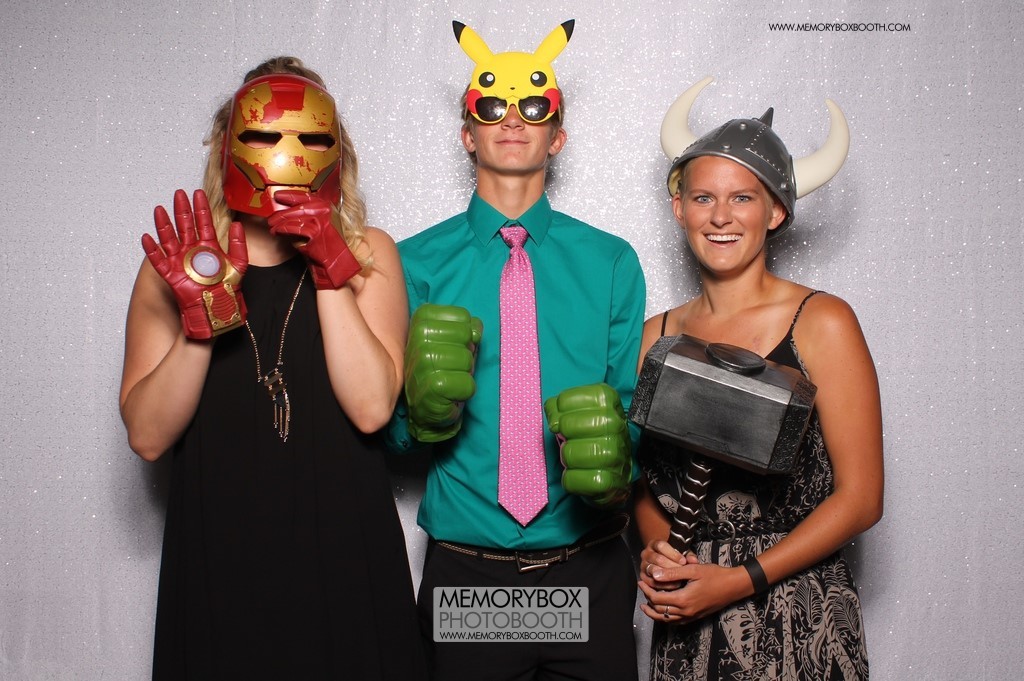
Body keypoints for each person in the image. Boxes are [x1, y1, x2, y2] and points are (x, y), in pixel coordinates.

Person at [119, 57, 426, 679]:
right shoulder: (178, 265)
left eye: (311, 136)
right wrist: (202, 323)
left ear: (336, 149)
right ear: (227, 146)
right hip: (218, 553)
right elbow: (148, 437)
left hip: (343, 550)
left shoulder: (368, 255)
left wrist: (329, 268)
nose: (288, 152)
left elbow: (372, 409)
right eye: (263, 133)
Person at [392, 21, 646, 680]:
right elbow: (381, 431)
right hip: (471, 575)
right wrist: (417, 417)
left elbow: (634, 417)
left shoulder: (612, 262)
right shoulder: (411, 264)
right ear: (466, 134)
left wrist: (619, 463)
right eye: (490, 107)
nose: (511, 119)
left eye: (533, 108)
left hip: (588, 569)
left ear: (557, 137)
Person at [634, 78, 883, 680]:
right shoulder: (653, 335)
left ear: (776, 212)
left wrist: (739, 580)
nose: (720, 217)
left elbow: (861, 498)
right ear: (679, 208)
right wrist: (660, 554)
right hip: (688, 612)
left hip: (798, 609)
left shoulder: (822, 322)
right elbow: (643, 483)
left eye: (742, 198)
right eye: (703, 198)